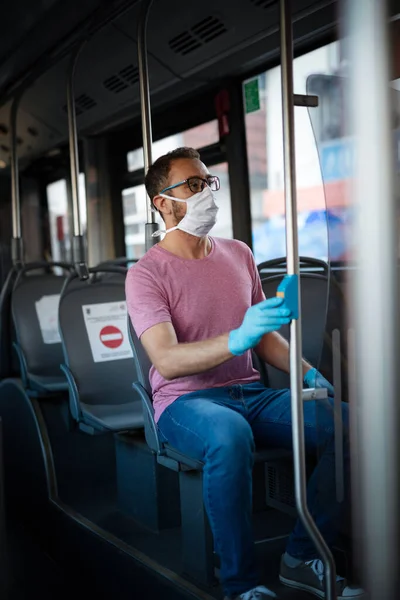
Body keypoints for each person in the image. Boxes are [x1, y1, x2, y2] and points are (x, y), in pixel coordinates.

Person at [125, 147, 363, 600]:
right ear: (162, 202)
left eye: (208, 182)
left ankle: (304, 556)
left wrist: (308, 374)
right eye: (192, 185)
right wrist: (237, 339)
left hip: (247, 393)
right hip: (184, 402)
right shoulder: (146, 274)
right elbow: (168, 360)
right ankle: (241, 583)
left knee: (346, 422)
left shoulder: (238, 253)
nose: (207, 193)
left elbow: (264, 336)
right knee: (228, 434)